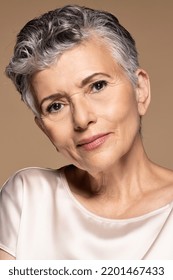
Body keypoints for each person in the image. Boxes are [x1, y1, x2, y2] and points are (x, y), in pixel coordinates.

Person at [0, 4, 173, 260]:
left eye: (97, 85)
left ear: (140, 90)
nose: (82, 119)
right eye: (56, 105)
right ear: (43, 128)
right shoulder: (28, 198)